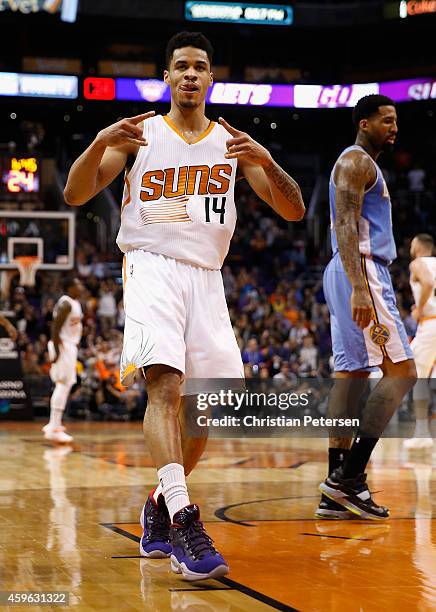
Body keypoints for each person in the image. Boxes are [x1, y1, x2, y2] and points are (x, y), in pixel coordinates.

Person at [64, 30, 304, 580]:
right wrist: (99, 141)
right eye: (181, 66)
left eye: (200, 66)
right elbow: (76, 194)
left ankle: (158, 503)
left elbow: (293, 210)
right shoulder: (139, 134)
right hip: (151, 263)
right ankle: (184, 523)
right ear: (167, 78)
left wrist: (268, 158)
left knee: (210, 405)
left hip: (208, 276)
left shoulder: (233, 143)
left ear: (211, 78)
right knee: (166, 385)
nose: (191, 74)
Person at [317, 95, 417, 520]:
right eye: (387, 121)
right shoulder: (357, 162)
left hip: (345, 269)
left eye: (396, 121)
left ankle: (332, 490)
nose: (394, 127)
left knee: (351, 377)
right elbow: (344, 223)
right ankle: (349, 479)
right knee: (403, 373)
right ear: (364, 123)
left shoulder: (358, 163)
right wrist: (360, 286)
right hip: (363, 270)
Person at [404, 234, 436, 450]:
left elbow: (428, 282)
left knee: (417, 377)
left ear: (417, 247)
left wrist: (417, 310)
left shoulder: (417, 263)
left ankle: (422, 432)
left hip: (431, 324)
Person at [42, 278, 84, 444]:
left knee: (65, 384)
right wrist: (58, 350)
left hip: (68, 345)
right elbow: (55, 327)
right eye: (77, 284)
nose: (80, 287)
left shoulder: (74, 302)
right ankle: (53, 426)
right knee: (62, 384)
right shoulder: (66, 304)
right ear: (70, 287)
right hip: (63, 345)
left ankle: (54, 423)